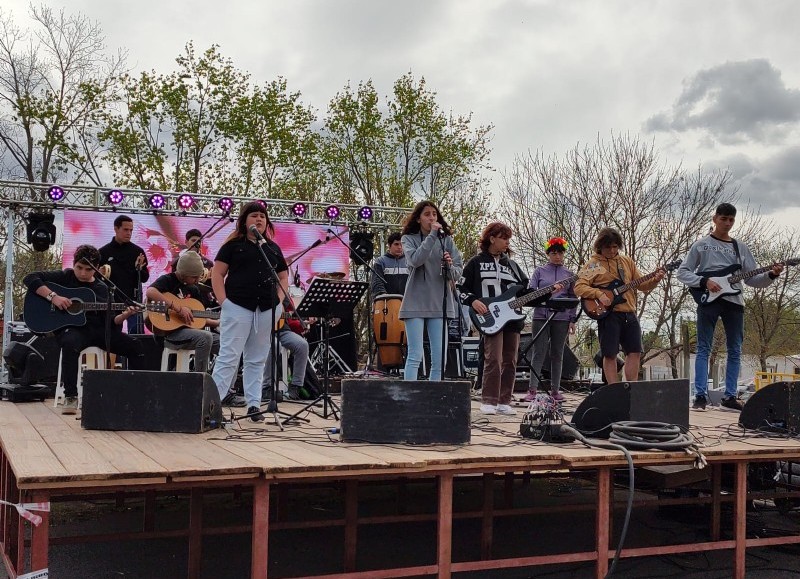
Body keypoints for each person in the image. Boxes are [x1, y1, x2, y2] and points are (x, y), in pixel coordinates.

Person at [677, 203, 783, 411]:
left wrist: (772, 275)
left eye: (731, 220)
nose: (727, 223)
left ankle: (730, 397)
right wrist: (704, 281)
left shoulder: (740, 247)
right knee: (703, 347)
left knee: (735, 349)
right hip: (709, 300)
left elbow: (752, 279)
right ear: (715, 219)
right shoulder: (701, 245)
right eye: (723, 219)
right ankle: (700, 396)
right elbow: (683, 272)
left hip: (734, 302)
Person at [23, 244, 145, 415]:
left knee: (135, 346)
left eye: (88, 270)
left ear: (96, 268)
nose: (82, 273)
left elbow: (111, 322)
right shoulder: (65, 276)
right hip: (74, 330)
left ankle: (137, 395)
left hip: (98, 331)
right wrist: (53, 297)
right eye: (79, 267)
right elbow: (30, 278)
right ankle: (71, 396)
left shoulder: (101, 288)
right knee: (70, 342)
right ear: (74, 264)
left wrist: (125, 314)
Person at [211, 201, 289, 422]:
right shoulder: (233, 245)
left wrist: (279, 301)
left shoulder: (272, 248)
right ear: (244, 221)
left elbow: (283, 276)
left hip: (266, 308)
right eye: (254, 215)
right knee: (229, 356)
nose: (259, 219)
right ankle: (212, 404)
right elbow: (217, 274)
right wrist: (224, 302)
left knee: (257, 358)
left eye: (262, 216)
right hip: (237, 306)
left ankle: (254, 405)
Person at [574, 228, 664, 384]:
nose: (612, 250)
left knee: (635, 351)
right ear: (600, 246)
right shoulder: (593, 264)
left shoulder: (626, 261)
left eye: (615, 247)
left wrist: (655, 280)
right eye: (608, 247)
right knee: (610, 354)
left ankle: (632, 387)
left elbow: (642, 285)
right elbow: (579, 287)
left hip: (629, 312)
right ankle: (613, 389)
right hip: (609, 315)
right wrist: (599, 294)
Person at [458, 222, 528, 415]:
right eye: (504, 238)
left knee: (510, 360)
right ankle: (489, 399)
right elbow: (460, 288)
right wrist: (473, 301)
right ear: (491, 239)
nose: (507, 242)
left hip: (513, 319)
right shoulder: (475, 262)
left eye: (508, 239)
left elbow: (525, 291)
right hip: (490, 317)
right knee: (494, 358)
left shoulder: (512, 265)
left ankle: (505, 400)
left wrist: (549, 292)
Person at [399, 200, 463, 382]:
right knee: (415, 354)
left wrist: (449, 265)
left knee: (439, 358)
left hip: (439, 302)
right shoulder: (408, 239)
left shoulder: (447, 240)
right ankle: (409, 396)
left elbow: (457, 273)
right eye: (427, 214)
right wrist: (432, 235)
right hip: (415, 302)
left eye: (434, 214)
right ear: (418, 219)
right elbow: (415, 260)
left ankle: (434, 396)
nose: (432, 218)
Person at [145, 251, 222, 375]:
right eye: (194, 277)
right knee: (205, 337)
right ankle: (200, 378)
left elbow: (197, 319)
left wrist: (217, 322)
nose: (197, 280)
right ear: (183, 273)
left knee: (224, 342)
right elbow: (151, 292)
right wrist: (178, 309)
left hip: (189, 332)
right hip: (169, 334)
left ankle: (222, 380)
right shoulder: (168, 280)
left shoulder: (194, 289)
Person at [524, 237, 578, 402]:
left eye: (560, 253)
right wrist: (549, 291)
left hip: (562, 318)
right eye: (554, 253)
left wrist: (572, 319)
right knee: (538, 352)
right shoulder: (539, 271)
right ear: (548, 254)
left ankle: (555, 390)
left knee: (557, 353)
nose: (557, 256)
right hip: (541, 316)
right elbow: (531, 292)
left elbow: (574, 298)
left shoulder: (569, 274)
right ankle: (532, 389)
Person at [99, 215, 149, 333]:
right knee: (112, 333)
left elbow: (145, 278)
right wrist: (100, 273)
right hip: (112, 300)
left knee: (136, 333)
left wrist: (138, 269)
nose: (129, 233)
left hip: (133, 299)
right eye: (125, 229)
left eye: (131, 230)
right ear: (116, 229)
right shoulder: (103, 252)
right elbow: (95, 278)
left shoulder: (137, 251)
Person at [262, 298, 310, 402]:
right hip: (264, 330)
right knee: (275, 345)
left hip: (282, 330)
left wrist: (302, 323)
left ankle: (296, 386)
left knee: (302, 345)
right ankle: (267, 387)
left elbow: (288, 316)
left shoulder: (283, 293)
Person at [371, 232, 409, 297]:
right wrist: (382, 294)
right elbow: (377, 281)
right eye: (396, 244)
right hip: (387, 300)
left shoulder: (410, 261)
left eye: (402, 244)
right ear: (389, 245)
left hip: (407, 300)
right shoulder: (380, 261)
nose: (399, 247)